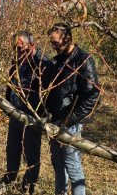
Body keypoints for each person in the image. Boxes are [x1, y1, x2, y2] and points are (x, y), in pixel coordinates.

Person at [46, 23, 100, 195]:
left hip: (70, 123)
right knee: (58, 164)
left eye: (55, 42)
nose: (53, 46)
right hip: (55, 120)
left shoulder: (83, 60)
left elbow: (93, 96)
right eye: (52, 43)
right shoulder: (60, 60)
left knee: (72, 165)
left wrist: (70, 119)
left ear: (67, 38)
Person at [0, 31, 52, 194]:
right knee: (12, 149)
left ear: (32, 46)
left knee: (31, 153)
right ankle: (9, 180)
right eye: (15, 48)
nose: (17, 51)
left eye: (20, 48)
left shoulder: (42, 64)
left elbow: (48, 93)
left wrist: (40, 115)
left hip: (32, 117)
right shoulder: (17, 62)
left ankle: (29, 186)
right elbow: (11, 85)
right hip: (15, 113)